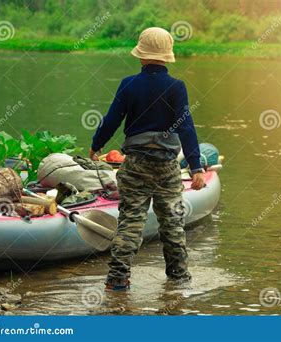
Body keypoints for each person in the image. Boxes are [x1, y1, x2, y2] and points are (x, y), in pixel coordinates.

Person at [89, 27, 205, 291]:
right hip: (166, 166)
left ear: (141, 56)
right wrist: (196, 166)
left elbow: (111, 120)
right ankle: (178, 281)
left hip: (136, 165)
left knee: (130, 222)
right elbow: (186, 127)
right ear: (167, 57)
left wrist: (96, 146)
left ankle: (117, 280)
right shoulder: (177, 87)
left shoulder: (129, 84)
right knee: (173, 224)